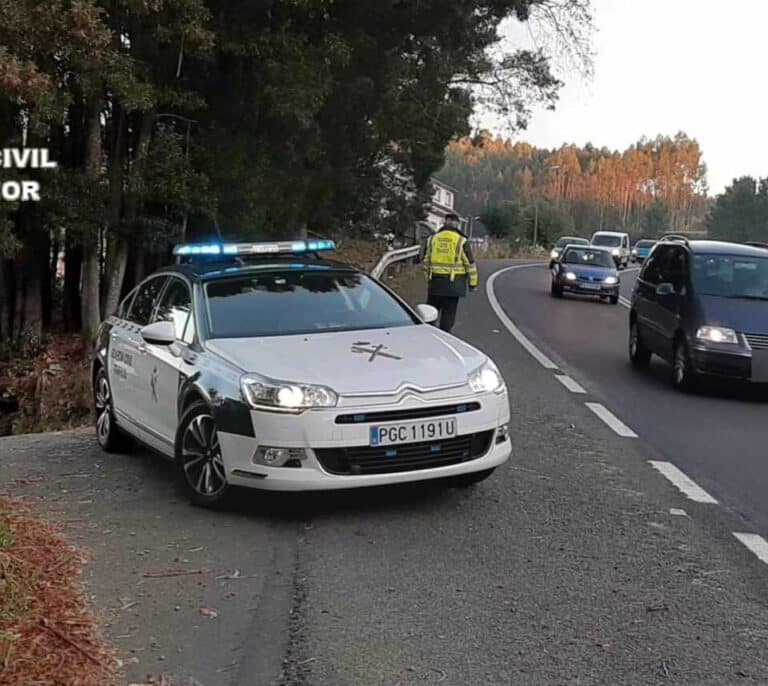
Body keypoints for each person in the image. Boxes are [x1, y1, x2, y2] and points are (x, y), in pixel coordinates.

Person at [422, 213, 479, 333]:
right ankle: (444, 335)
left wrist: (428, 278)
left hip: (436, 282)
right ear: (457, 224)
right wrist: (473, 283)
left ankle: (428, 334)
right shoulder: (461, 240)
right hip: (454, 285)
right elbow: (470, 264)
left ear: (444, 222)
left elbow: (426, 261)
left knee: (431, 312)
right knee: (449, 313)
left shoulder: (432, 239)